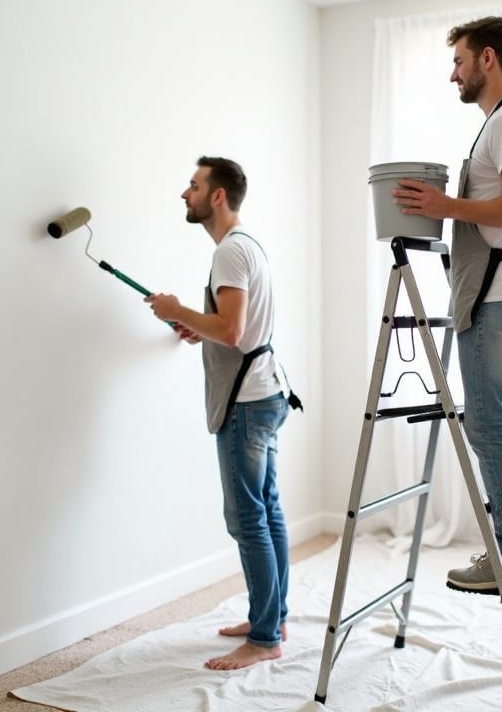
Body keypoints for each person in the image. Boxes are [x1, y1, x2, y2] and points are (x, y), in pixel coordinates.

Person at [392, 16, 502, 592]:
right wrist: (448, 205)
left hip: (499, 295)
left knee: (488, 427)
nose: (452, 73)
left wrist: (446, 205)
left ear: (487, 59)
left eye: (458, 61)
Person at [146, 156, 301, 669]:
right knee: (267, 509)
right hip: (265, 392)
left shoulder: (230, 253)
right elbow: (234, 328)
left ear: (217, 195)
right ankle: (270, 616)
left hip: (248, 404)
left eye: (192, 185)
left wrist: (176, 311)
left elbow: (233, 331)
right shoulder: (244, 247)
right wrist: (197, 326)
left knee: (247, 519)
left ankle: (264, 638)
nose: (183, 194)